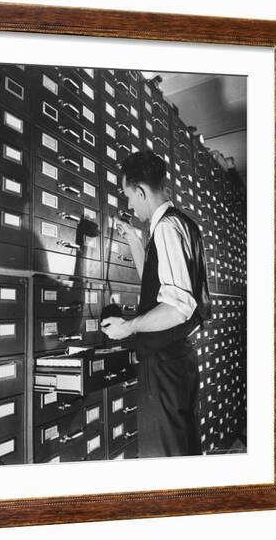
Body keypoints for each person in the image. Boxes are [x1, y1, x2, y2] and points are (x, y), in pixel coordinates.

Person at [101, 150, 211, 458]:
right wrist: (134, 240)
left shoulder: (166, 228)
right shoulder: (183, 225)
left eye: (129, 196)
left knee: (163, 457)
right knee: (183, 448)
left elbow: (177, 307)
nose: (130, 204)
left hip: (163, 364)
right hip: (180, 359)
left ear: (140, 191)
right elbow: (159, 283)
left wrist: (129, 326)